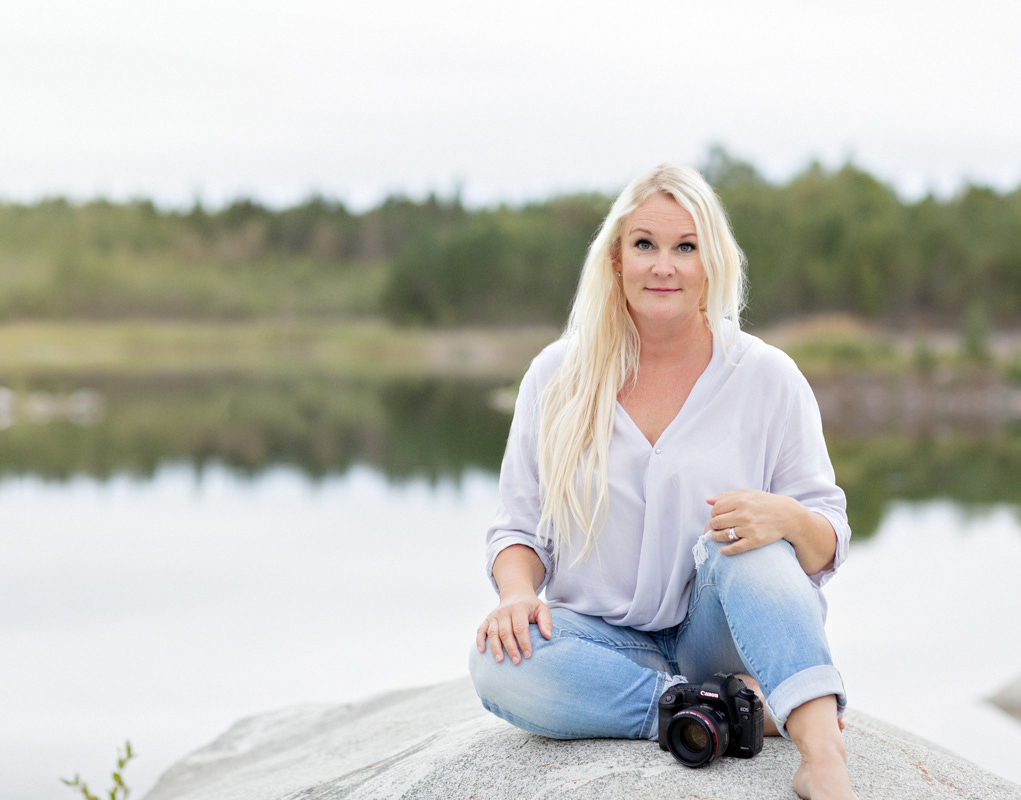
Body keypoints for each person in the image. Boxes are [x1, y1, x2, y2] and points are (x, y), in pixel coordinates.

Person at [468, 164, 857, 799]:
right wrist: (515, 595)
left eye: (686, 247)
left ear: (713, 262)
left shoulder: (768, 377)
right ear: (616, 259)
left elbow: (827, 542)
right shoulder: (555, 375)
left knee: (752, 548)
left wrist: (786, 519)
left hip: (720, 635)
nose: (663, 266)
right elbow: (518, 528)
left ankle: (823, 759)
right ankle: (714, 710)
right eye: (645, 244)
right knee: (497, 661)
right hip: (605, 645)